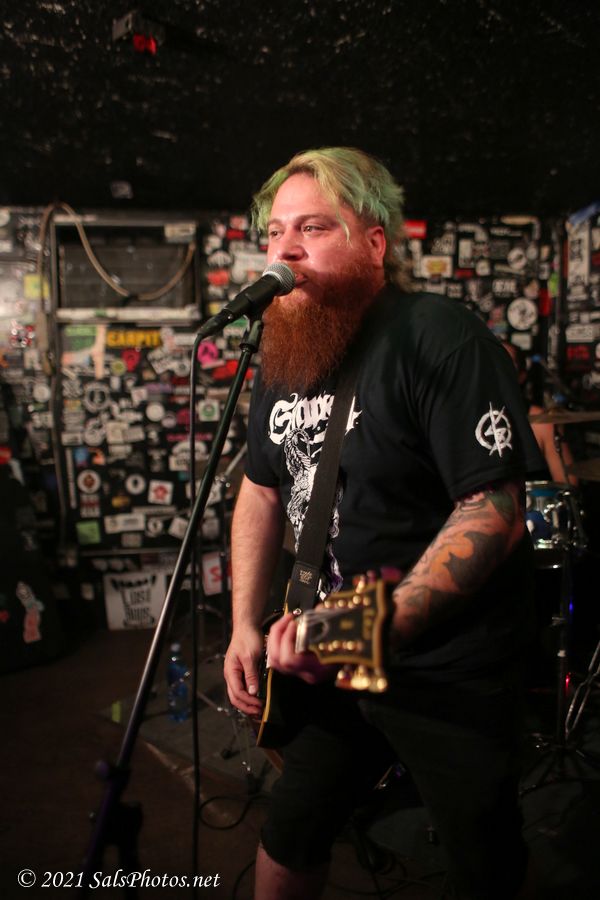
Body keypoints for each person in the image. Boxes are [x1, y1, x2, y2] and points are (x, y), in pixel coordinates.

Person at [223, 147, 544, 900]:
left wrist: (374, 625)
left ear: (374, 244)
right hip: (332, 654)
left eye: (312, 228)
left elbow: (495, 506)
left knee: (480, 857)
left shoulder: (437, 336)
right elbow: (260, 489)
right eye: (274, 232)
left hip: (444, 663)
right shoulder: (286, 351)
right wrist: (242, 622)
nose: (284, 249)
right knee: (292, 828)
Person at [501, 341, 577, 485]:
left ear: (521, 375)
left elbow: (568, 483)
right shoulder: (466, 418)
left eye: (505, 362)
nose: (496, 369)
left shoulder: (543, 423)